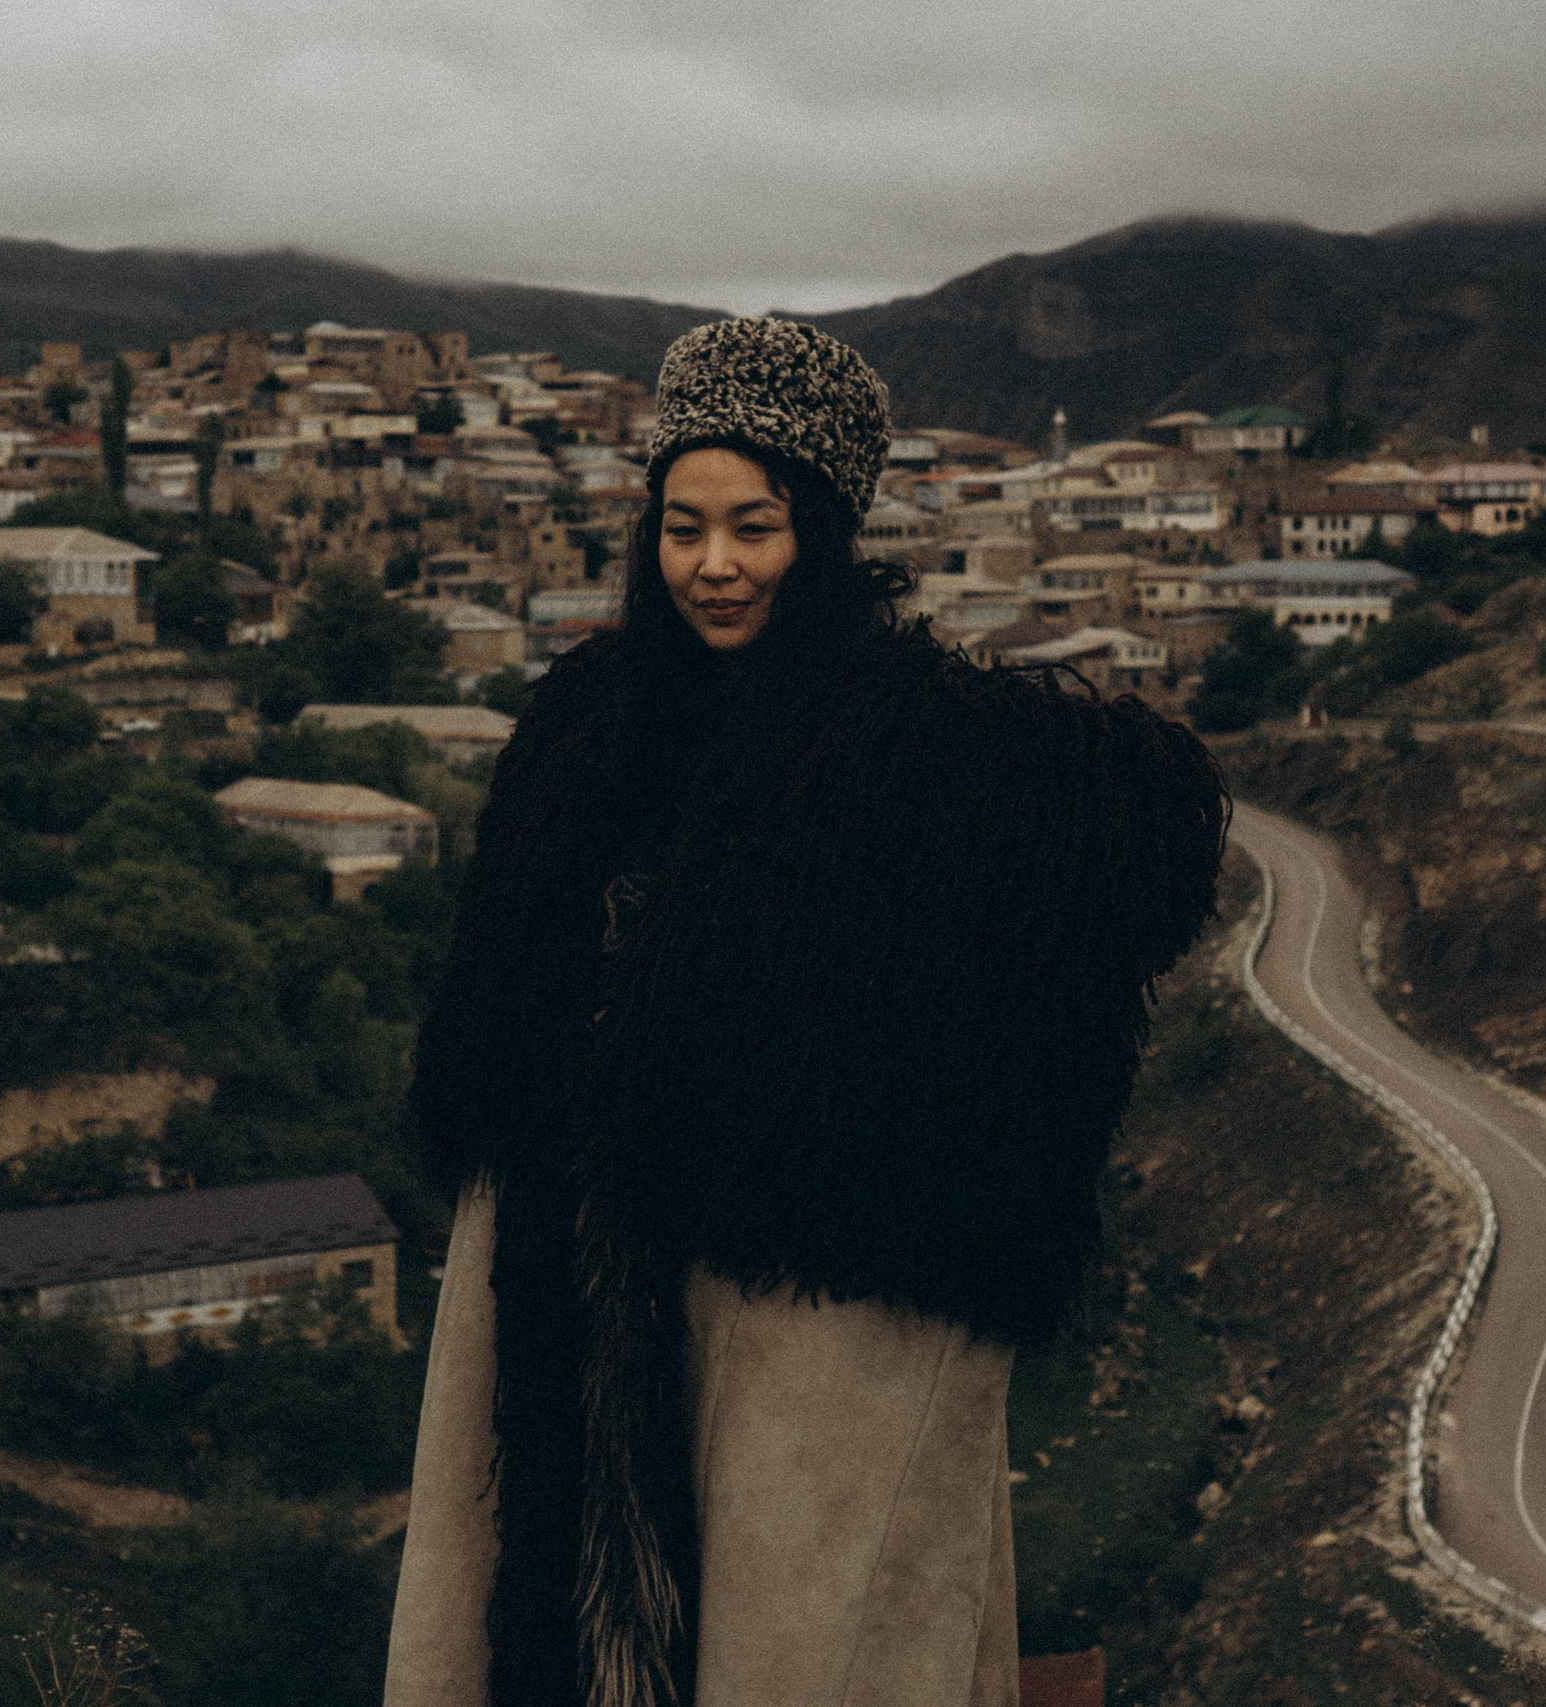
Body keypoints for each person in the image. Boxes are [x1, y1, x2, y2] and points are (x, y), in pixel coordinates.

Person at [385, 318, 1228, 1707]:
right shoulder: (586, 732)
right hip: (560, 1282)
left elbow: (1137, 853)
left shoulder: (916, 750)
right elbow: (508, 1012)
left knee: (801, 1632)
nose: (713, 565)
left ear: (822, 530)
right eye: (684, 527)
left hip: (795, 1304)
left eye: (755, 528)